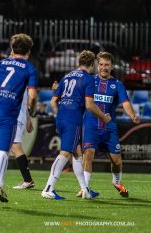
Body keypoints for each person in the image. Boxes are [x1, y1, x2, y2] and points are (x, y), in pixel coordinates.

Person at [41, 50, 111, 200]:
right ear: (92, 64)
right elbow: (90, 105)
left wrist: (60, 113)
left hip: (61, 117)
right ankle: (48, 188)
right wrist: (103, 117)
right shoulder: (88, 79)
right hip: (73, 119)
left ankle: (85, 190)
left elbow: (53, 102)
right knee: (65, 153)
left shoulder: (66, 76)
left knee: (77, 154)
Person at [0, 33, 38, 209]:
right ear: (28, 52)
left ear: (12, 49)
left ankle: (1, 187)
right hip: (8, 113)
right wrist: (31, 112)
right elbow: (33, 96)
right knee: (3, 151)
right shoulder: (29, 68)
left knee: (5, 148)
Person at [77, 51, 140, 198]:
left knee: (116, 160)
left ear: (112, 67)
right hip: (91, 126)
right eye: (101, 64)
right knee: (88, 154)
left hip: (109, 128)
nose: (104, 67)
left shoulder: (117, 85)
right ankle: (85, 188)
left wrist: (132, 115)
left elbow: (125, 102)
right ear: (97, 66)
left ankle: (116, 182)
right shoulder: (89, 81)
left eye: (107, 65)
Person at [11, 90, 35, 189]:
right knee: (8, 147)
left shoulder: (17, 76)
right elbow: (26, 102)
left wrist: (28, 117)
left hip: (15, 116)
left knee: (15, 146)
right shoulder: (22, 78)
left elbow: (31, 97)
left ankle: (28, 180)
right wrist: (28, 118)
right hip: (18, 116)